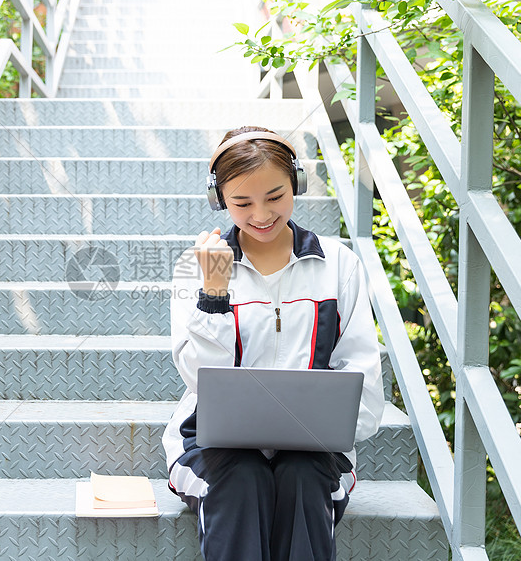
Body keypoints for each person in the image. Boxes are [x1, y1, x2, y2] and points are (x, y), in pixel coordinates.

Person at [161, 126, 384, 561]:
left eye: (276, 197)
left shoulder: (339, 264)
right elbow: (201, 379)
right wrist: (214, 293)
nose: (261, 214)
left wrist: (328, 430)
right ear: (219, 198)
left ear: (297, 184)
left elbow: (363, 378)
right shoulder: (197, 267)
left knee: (301, 480)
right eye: (242, 203)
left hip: (316, 446)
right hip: (209, 445)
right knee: (241, 483)